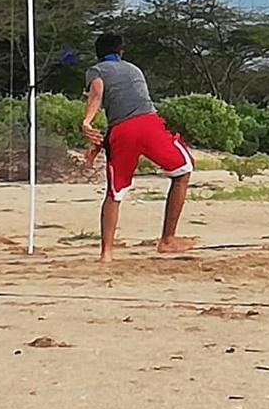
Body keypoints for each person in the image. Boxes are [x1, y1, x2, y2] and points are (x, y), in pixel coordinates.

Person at [81, 33, 195, 262]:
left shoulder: (96, 70)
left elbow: (96, 93)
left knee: (115, 192)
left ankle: (107, 254)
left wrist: (87, 121)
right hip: (149, 124)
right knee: (183, 170)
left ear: (98, 54)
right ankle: (167, 239)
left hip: (121, 131)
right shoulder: (134, 70)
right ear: (121, 51)